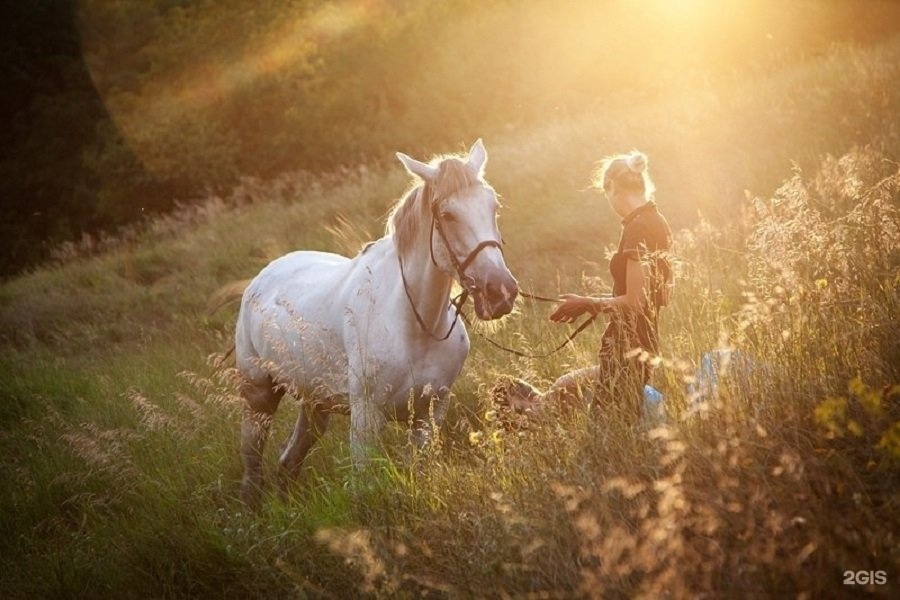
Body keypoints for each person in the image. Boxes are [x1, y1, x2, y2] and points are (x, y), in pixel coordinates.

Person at [495, 150, 673, 421]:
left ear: (612, 187)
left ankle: (526, 414)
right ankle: (531, 412)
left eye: (606, 193)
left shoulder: (637, 229)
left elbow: (637, 300)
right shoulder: (658, 221)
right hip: (643, 345)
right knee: (567, 386)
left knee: (604, 432)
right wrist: (595, 304)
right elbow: (662, 295)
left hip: (627, 351)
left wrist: (587, 303)